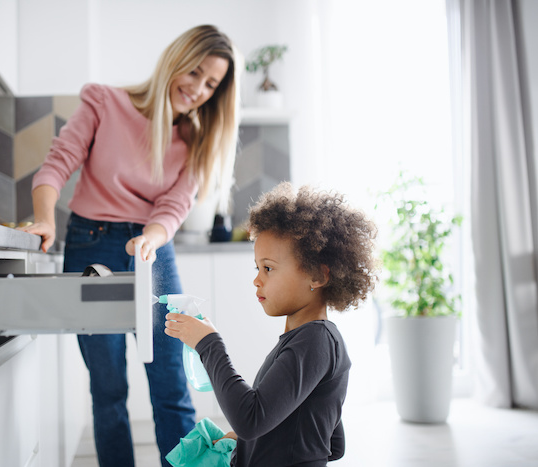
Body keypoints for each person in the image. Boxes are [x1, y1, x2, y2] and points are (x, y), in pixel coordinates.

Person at [19, 25, 241, 467]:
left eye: (211, 84)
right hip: (89, 244)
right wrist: (45, 217)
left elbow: (175, 203)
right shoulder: (104, 101)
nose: (197, 89)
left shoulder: (198, 139)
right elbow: (59, 162)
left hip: (152, 251)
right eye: (194, 72)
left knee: (170, 386)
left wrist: (152, 238)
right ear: (174, 59)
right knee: (108, 389)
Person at [164, 182, 378, 466]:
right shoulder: (314, 342)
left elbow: (250, 419)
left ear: (318, 276)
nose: (257, 279)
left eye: (268, 268)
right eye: (257, 267)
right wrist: (243, 441)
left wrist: (209, 345)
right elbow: (330, 443)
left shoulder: (315, 343)